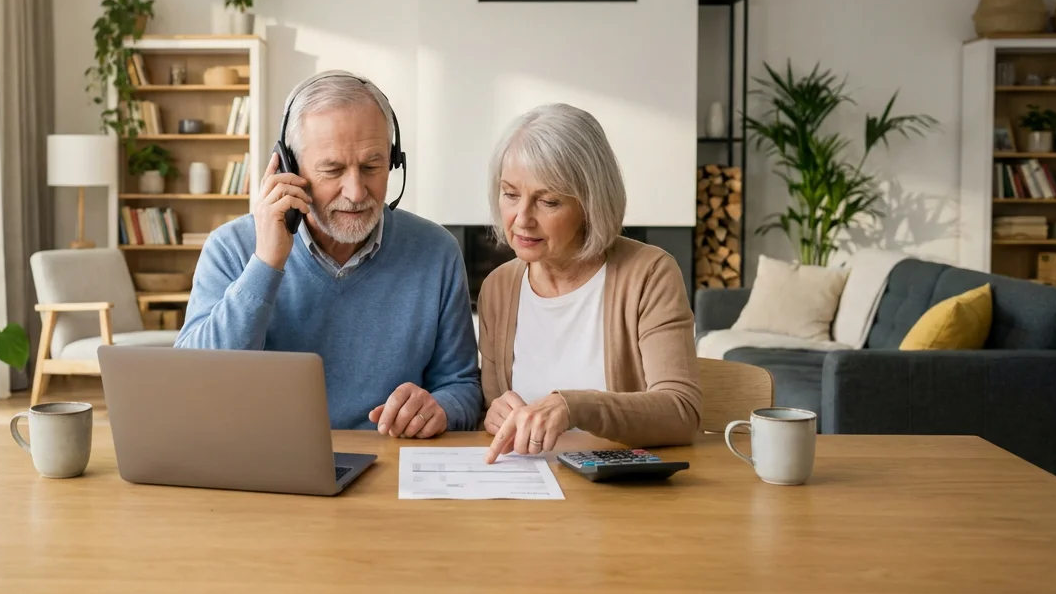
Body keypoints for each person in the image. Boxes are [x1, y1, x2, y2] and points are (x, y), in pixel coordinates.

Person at [176, 70, 482, 437]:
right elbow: (193, 383)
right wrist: (266, 263)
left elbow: (462, 387)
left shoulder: (437, 251)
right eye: (333, 169)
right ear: (289, 168)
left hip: (391, 467)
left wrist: (440, 408)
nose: (356, 192)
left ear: (394, 160)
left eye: (372, 166)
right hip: (265, 464)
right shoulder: (231, 247)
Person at [479, 103, 701, 462]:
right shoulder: (498, 288)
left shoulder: (650, 273)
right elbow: (492, 409)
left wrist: (573, 406)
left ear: (591, 203)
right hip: (528, 493)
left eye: (548, 201)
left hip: (621, 498)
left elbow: (681, 412)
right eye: (510, 194)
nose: (521, 219)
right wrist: (493, 414)